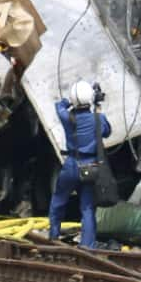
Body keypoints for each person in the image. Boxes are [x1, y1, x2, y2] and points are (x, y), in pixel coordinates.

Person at [47, 80, 111, 249]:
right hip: (91, 166)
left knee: (59, 200)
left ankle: (53, 235)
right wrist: (96, 107)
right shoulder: (98, 118)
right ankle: (88, 245)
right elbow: (107, 132)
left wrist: (71, 100)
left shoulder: (68, 118)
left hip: (72, 164)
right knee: (88, 207)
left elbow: (58, 105)